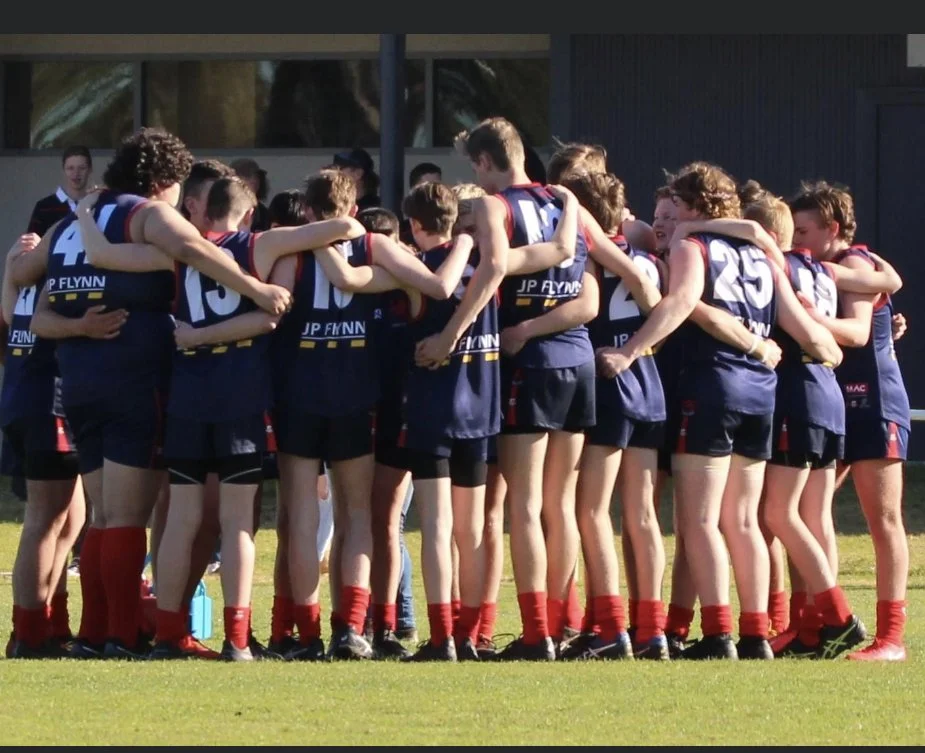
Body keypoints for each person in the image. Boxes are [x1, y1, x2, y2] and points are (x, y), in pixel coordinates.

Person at [11, 127, 291, 660]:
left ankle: (93, 633)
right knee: (126, 518)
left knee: (99, 516)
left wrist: (73, 322)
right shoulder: (145, 214)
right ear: (163, 180)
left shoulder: (71, 225)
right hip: (132, 378)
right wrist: (257, 290)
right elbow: (193, 249)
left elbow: (27, 283)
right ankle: (118, 634)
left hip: (78, 382)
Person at [74, 175, 368, 660]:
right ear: (248, 214)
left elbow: (104, 255)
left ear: (202, 211)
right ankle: (236, 639)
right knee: (236, 525)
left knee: (181, 521)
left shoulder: (179, 251)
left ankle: (168, 635)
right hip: (241, 401)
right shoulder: (262, 244)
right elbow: (338, 229)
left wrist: (85, 214)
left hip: (188, 401)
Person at [416, 118, 655, 660]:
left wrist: (452, 335)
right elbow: (582, 273)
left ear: (481, 163)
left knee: (523, 505)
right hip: (578, 359)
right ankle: (560, 624)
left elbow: (495, 266)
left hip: (532, 364)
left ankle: (535, 633)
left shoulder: (498, 208)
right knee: (563, 504)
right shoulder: (565, 200)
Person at [609, 161, 842, 660]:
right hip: (761, 391)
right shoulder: (761, 256)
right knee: (741, 519)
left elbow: (680, 303)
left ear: (694, 208)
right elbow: (799, 326)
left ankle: (717, 635)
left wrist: (630, 350)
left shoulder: (694, 247)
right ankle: (755, 633)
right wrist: (828, 350)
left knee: (698, 520)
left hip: (712, 385)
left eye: (677, 209)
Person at [270, 169, 471, 661]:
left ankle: (309, 633)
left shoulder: (289, 251)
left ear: (310, 211)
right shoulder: (374, 247)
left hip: (299, 394)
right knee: (356, 513)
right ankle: (351, 628)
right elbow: (435, 284)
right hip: (354, 394)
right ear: (355, 208)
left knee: (300, 515)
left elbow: (273, 314)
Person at [790, 181, 911, 661]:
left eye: (803, 230)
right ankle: (813, 626)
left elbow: (857, 333)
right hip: (837, 402)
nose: (796, 240)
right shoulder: (825, 268)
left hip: (874, 401)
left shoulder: (855, 264)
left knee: (882, 520)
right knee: (803, 513)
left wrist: (805, 315)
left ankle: (891, 638)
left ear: (831, 229)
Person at [3, 233, 85, 659]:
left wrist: (9, 270)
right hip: (43, 401)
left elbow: (8, 313)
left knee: (71, 521)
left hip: (24, 398)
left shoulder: (24, 278)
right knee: (44, 519)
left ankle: (50, 622)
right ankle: (28, 633)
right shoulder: (60, 276)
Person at [27, 146, 93, 237]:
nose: (76, 173)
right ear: (63, 170)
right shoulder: (44, 207)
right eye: (70, 168)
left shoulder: (98, 204)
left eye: (82, 168)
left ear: (90, 170)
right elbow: (32, 246)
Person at [231, 158, 271, 232]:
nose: (254, 180)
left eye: (256, 176)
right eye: (247, 175)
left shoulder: (263, 212)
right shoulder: (226, 208)